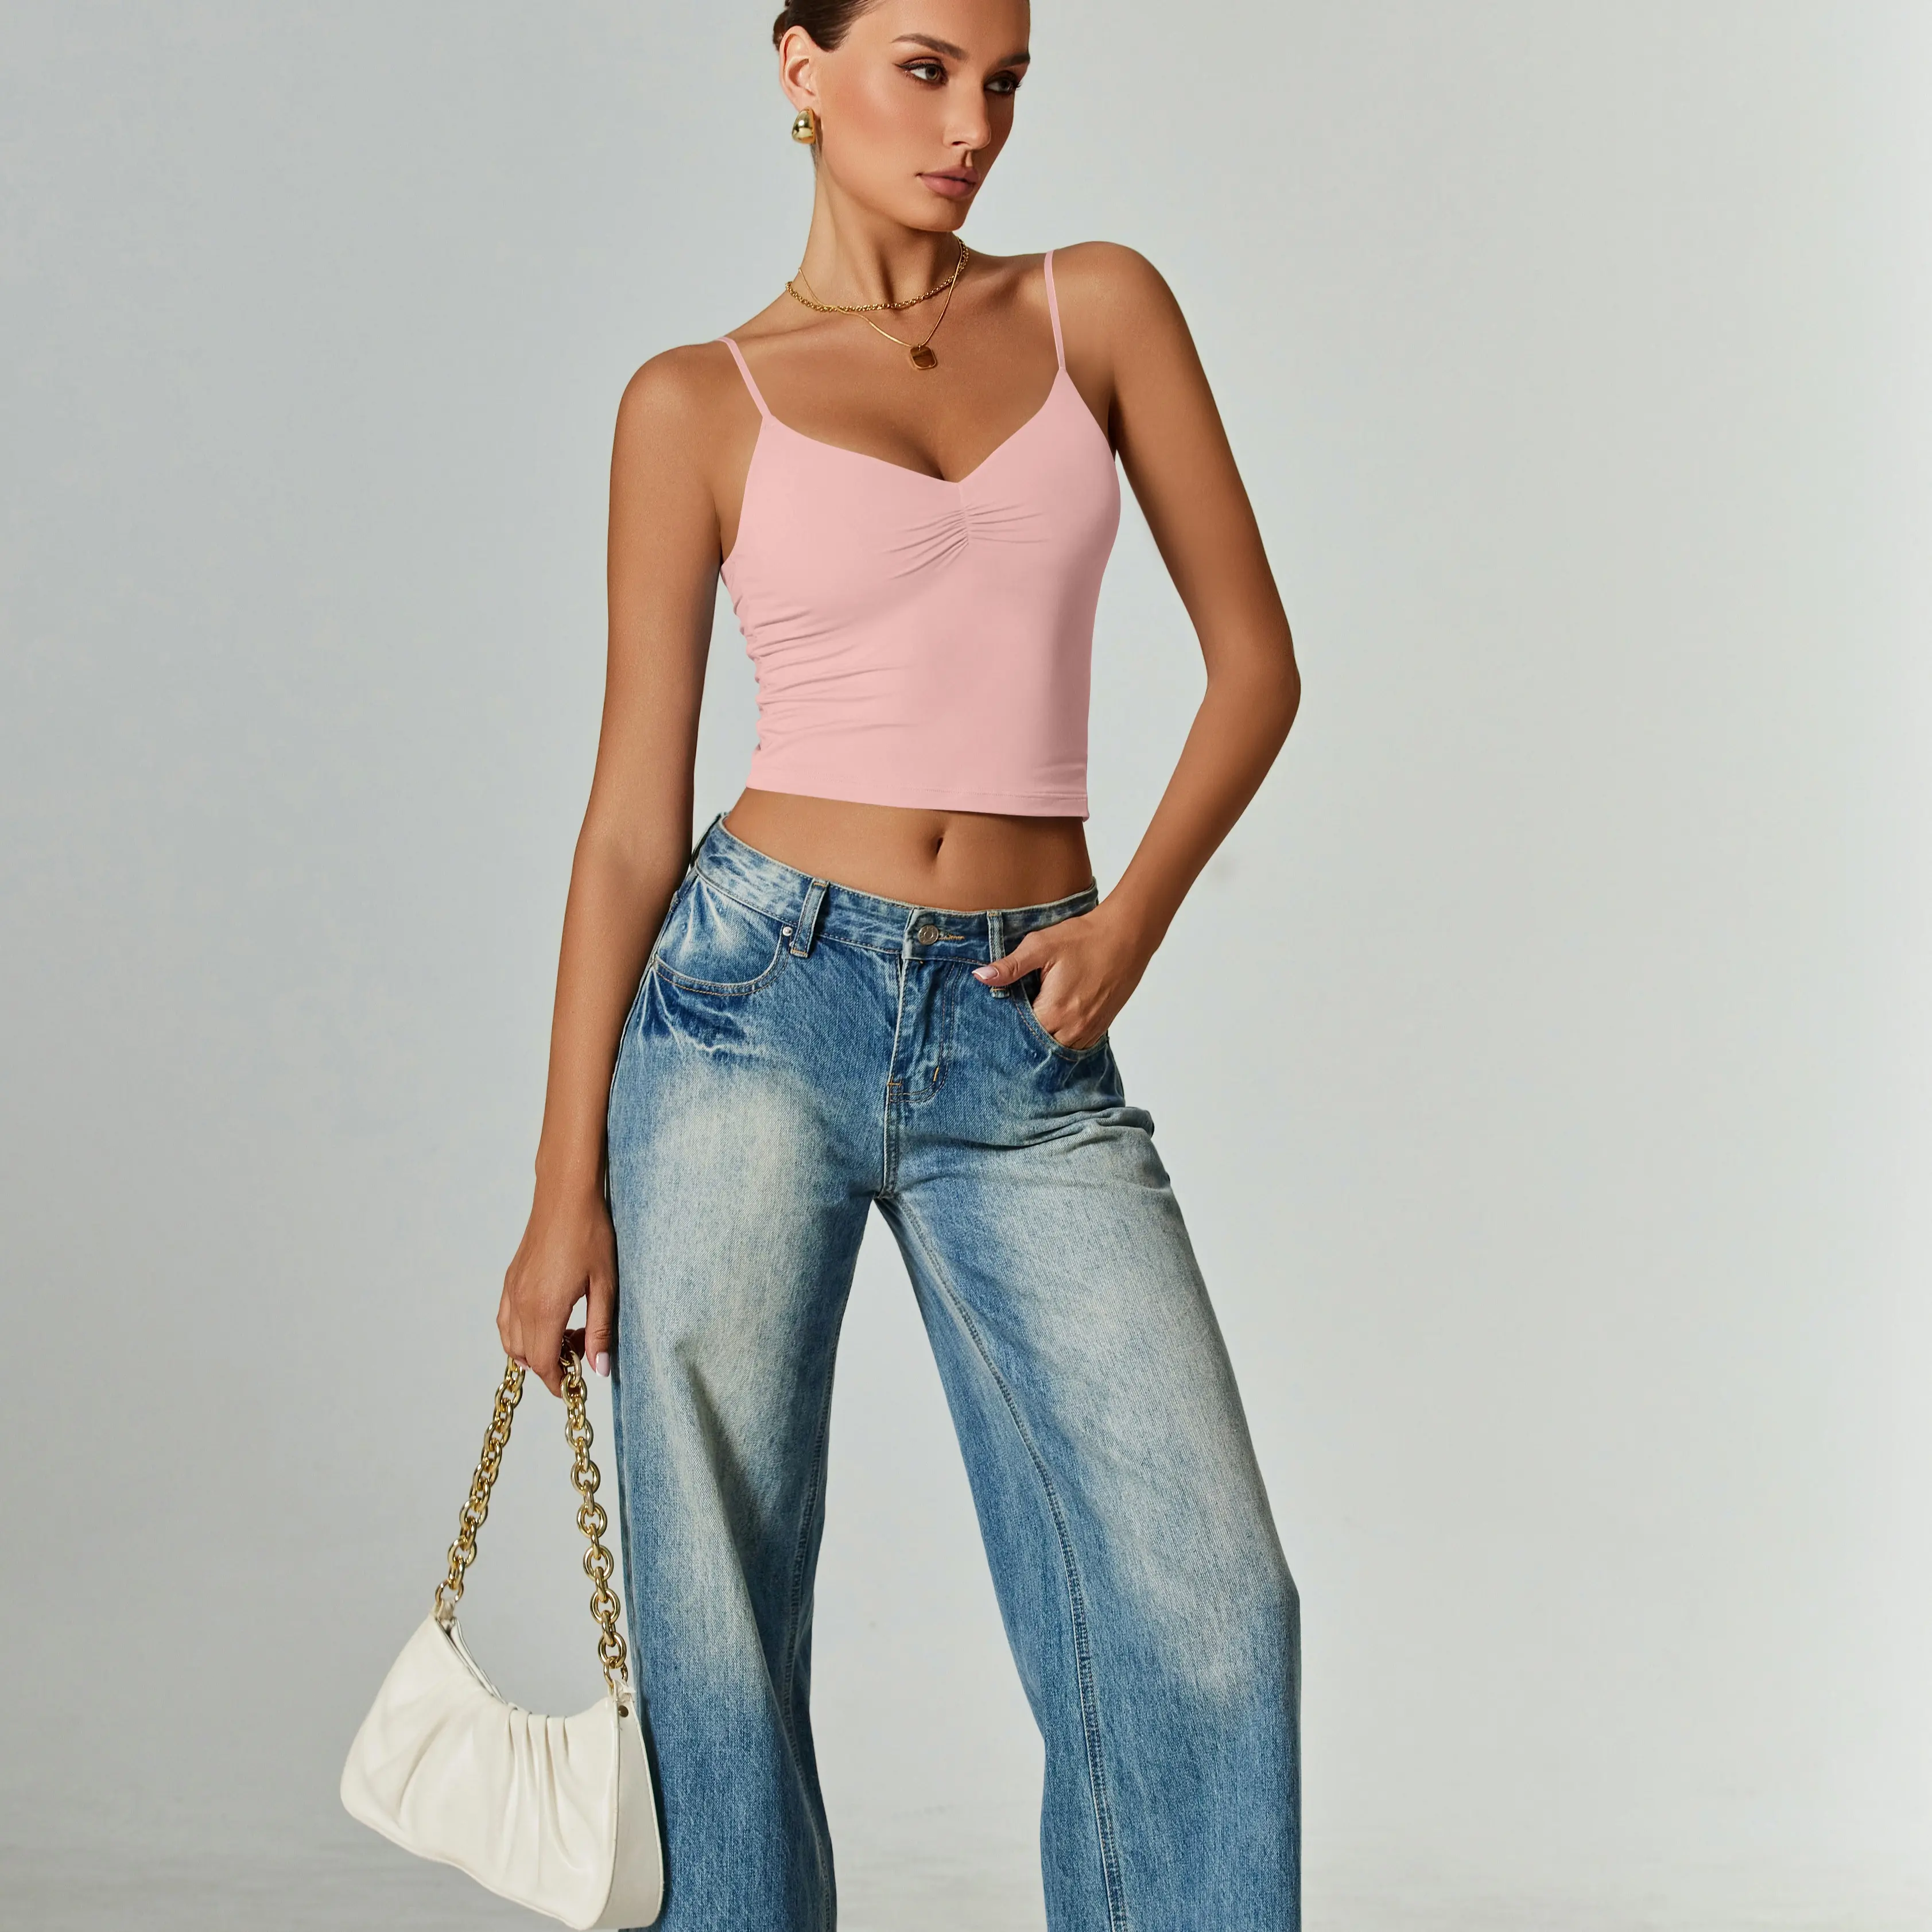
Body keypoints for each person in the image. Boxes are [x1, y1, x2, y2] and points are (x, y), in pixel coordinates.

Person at [496, 3, 1303, 1926]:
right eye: (925, 68)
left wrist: (1128, 919)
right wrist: (559, 1190)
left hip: (1026, 1030)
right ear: (800, 68)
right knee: (716, 1611)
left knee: (1212, 1602)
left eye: (1003, 81)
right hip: (745, 1011)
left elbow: (1256, 665)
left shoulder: (1096, 307)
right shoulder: (692, 402)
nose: (972, 124)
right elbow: (629, 823)